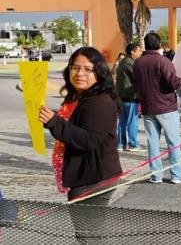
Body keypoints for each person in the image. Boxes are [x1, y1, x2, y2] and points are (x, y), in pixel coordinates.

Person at [39, 47, 123, 203]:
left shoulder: (100, 101)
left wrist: (54, 122)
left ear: (99, 72)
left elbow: (89, 139)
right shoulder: (78, 97)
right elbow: (76, 126)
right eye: (75, 68)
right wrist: (53, 118)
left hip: (95, 178)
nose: (79, 74)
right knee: (85, 227)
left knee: (88, 227)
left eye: (87, 69)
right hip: (84, 174)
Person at [133, 32, 181, 184]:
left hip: (148, 108)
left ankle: (155, 176)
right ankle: (177, 175)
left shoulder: (137, 63)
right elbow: (175, 84)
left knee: (153, 143)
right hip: (166, 108)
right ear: (159, 45)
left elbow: (136, 85)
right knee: (173, 142)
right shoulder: (163, 62)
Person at [116, 43, 143, 152]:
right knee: (132, 121)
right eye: (139, 50)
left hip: (123, 96)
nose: (140, 53)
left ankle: (121, 144)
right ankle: (133, 144)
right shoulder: (129, 62)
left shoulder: (125, 61)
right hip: (130, 95)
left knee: (123, 121)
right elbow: (138, 76)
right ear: (132, 51)